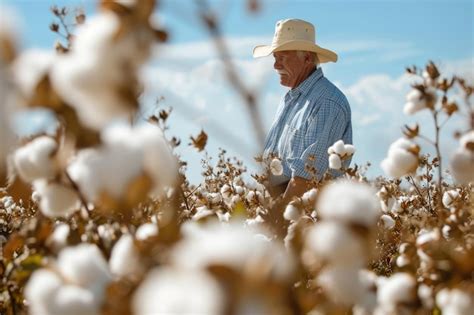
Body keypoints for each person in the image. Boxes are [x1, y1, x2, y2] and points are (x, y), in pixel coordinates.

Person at [253, 18, 352, 203]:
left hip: (303, 211)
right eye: (275, 58)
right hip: (283, 202)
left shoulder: (326, 102)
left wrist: (279, 217)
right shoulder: (291, 98)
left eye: (282, 57)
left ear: (306, 58)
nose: (275, 65)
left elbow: (306, 178)